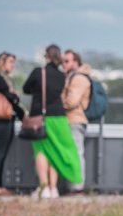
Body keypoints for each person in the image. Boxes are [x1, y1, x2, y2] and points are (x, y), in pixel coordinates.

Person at [22, 44, 82, 198]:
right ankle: (53, 188)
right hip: (60, 118)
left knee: (41, 151)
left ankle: (43, 188)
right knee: (55, 151)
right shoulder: (62, 76)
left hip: (41, 118)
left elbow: (26, 88)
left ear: (46, 57)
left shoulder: (38, 72)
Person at [0, 52, 25, 195]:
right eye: (10, 62)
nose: (12, 66)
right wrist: (16, 98)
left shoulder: (4, 78)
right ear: (2, 62)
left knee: (2, 153)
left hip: (7, 119)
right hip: (2, 119)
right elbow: (10, 97)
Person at [61, 49, 91, 193]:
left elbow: (71, 101)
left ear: (75, 62)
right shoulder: (73, 77)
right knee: (73, 153)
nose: (63, 65)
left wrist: (60, 101)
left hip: (75, 119)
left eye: (67, 61)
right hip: (72, 119)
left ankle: (77, 187)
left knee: (76, 153)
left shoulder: (78, 79)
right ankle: (73, 185)